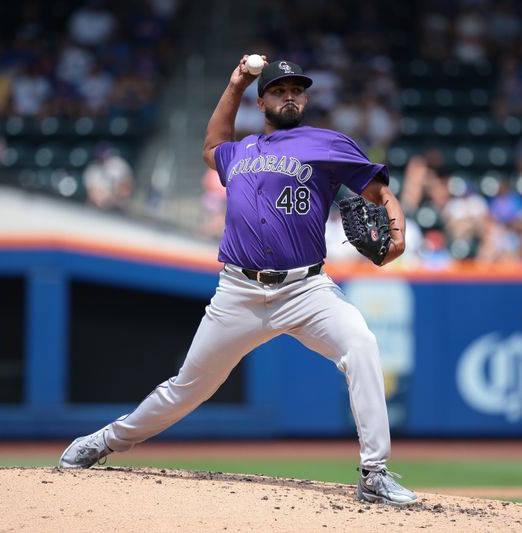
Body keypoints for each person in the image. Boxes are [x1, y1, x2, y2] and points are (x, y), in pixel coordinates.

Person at [59, 55, 417, 507]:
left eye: (297, 89)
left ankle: (374, 473)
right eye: (279, 89)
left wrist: (398, 237)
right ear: (262, 100)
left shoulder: (327, 143)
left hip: (305, 290)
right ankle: (107, 440)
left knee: (361, 344)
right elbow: (211, 146)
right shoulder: (240, 151)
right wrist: (234, 84)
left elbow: (381, 194)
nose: (290, 95)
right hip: (239, 292)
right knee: (188, 388)